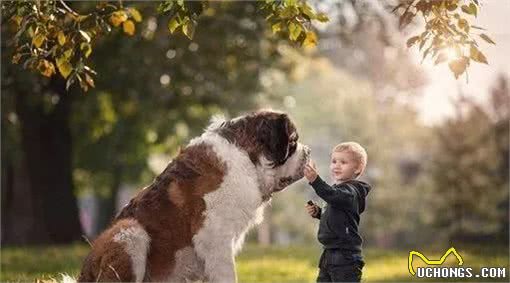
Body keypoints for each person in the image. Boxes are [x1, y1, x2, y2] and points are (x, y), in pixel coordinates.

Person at [304, 142, 372, 282]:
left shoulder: (351, 191)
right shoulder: (340, 192)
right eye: (334, 161)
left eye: (343, 162)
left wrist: (315, 180)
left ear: (357, 168)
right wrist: (319, 213)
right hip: (328, 254)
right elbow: (338, 215)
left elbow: (333, 195)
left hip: (345, 257)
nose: (336, 165)